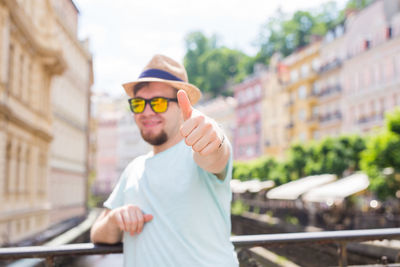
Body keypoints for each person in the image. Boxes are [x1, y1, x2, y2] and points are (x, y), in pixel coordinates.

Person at [90, 54, 239, 266]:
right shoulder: (134, 169)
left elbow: (215, 155)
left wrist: (213, 138)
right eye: (139, 103)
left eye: (158, 103)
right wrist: (116, 219)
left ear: (181, 106)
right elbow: (98, 234)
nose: (147, 111)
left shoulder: (199, 149)